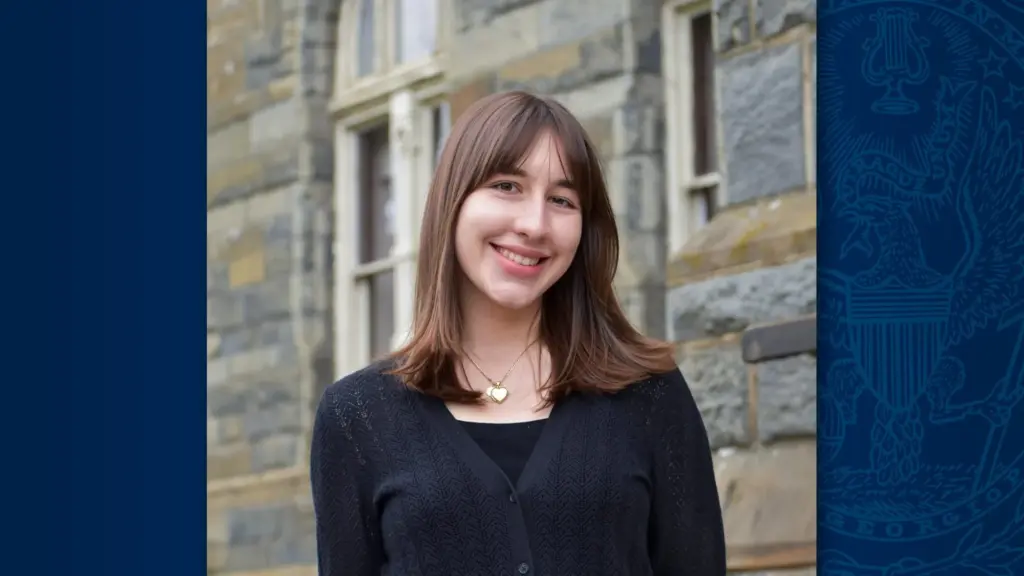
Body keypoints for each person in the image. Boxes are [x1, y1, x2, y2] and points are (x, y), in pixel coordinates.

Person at [310, 91, 726, 575]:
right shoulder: (355, 417)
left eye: (562, 200)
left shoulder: (649, 395)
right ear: (453, 202)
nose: (534, 224)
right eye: (507, 186)